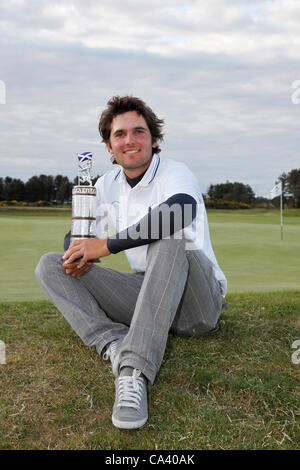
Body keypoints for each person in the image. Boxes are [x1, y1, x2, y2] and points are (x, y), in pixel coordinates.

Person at [35, 95, 227, 430]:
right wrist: (75, 251)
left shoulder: (174, 172)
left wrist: (106, 246)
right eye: (120, 134)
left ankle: (134, 371)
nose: (130, 140)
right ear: (109, 146)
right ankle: (113, 343)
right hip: (148, 296)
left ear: (154, 139)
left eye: (139, 132)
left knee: (172, 236)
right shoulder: (105, 185)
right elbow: (77, 239)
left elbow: (180, 210)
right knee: (50, 264)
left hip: (196, 306)